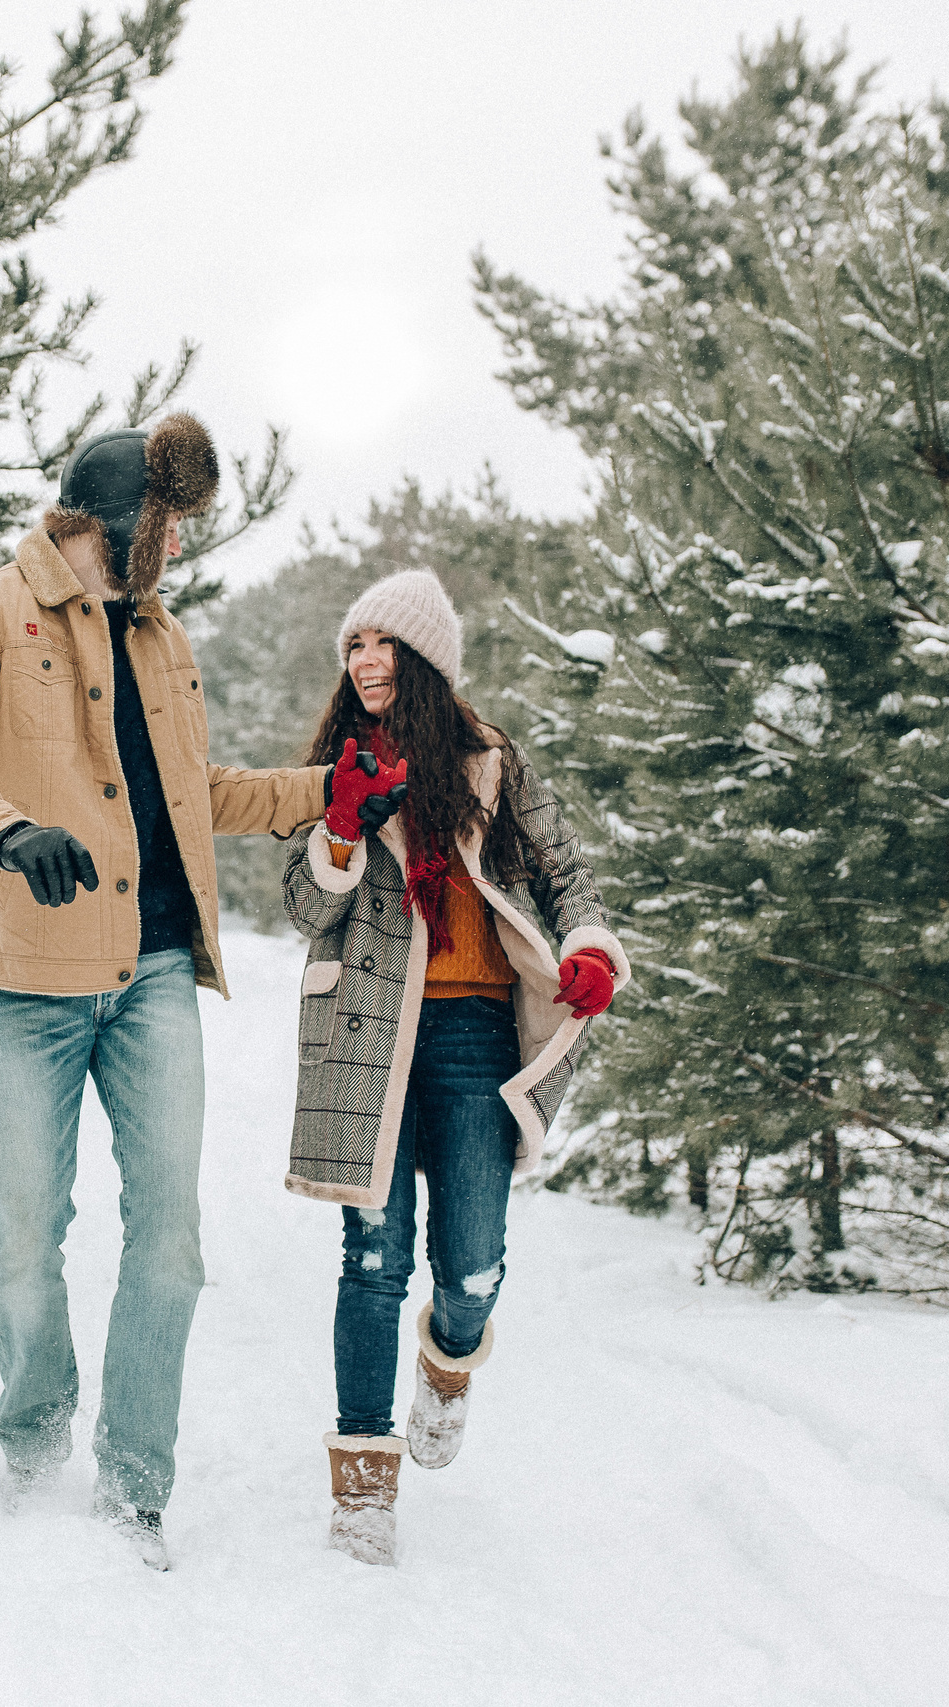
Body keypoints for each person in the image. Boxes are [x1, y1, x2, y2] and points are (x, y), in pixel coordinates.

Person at [0, 414, 339, 1570]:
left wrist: (321, 794)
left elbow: (193, 795)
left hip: (153, 977)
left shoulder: (162, 639)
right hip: (28, 977)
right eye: (170, 528)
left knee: (171, 1237)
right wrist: (5, 826)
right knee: (27, 1228)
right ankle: (33, 1438)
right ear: (124, 522)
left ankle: (135, 1484)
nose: (178, 551)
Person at [281, 568, 629, 1568]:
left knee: (469, 1265)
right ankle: (361, 1487)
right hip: (364, 1032)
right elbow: (303, 908)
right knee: (373, 1260)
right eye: (354, 646)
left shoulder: (490, 764)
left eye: (385, 644)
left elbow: (565, 872)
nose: (366, 661)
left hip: (475, 1032)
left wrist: (590, 944)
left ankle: (450, 1359)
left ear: (425, 660)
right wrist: (340, 827)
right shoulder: (337, 763)